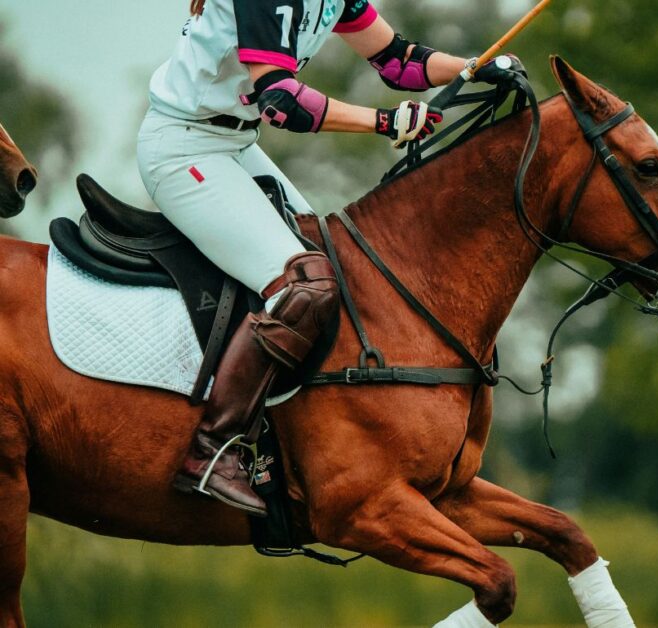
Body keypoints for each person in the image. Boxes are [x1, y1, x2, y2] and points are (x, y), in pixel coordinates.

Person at [139, 0, 523, 516]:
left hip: (235, 145)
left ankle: (288, 447)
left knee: (338, 271)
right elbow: (280, 100)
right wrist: (383, 121)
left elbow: (398, 60)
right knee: (304, 285)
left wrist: (475, 67)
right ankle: (210, 449)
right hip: (183, 149)